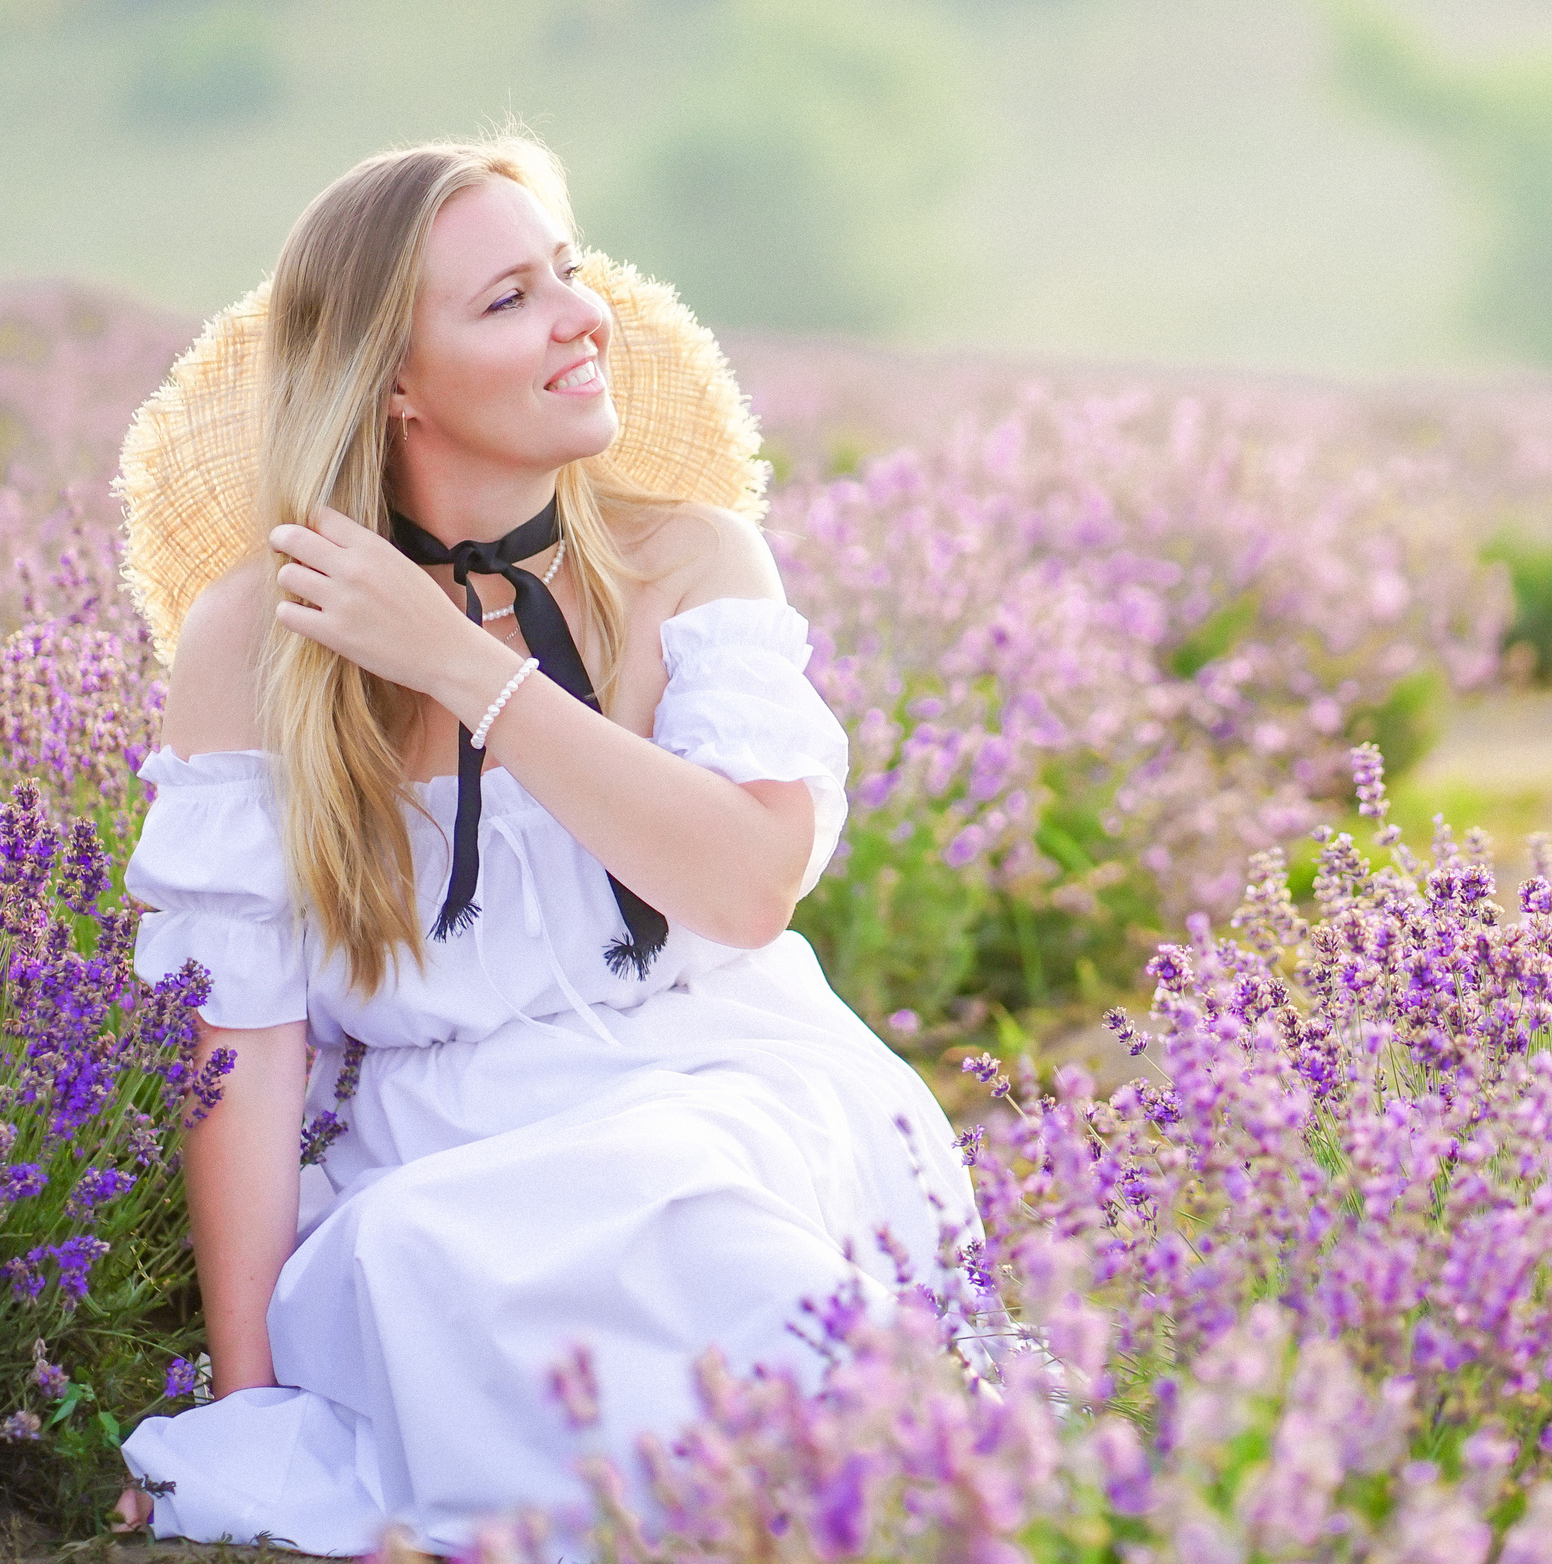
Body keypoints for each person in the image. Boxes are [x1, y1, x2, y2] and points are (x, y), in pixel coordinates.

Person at [107, 134, 973, 1554]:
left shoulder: (691, 559)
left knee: (697, 1223)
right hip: (447, 1155)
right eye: (511, 299)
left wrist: (462, 666)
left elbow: (749, 885)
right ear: (393, 384)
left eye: (566, 272)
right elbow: (243, 1038)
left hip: (723, 1081)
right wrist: (248, 1398)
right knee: (418, 1258)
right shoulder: (258, 639)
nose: (585, 316)